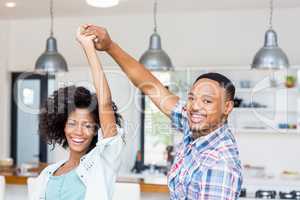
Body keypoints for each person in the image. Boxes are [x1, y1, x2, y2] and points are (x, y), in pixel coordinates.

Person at [84, 25, 243, 199]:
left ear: (227, 107)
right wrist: (110, 46)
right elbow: (151, 86)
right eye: (192, 98)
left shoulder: (220, 165)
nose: (195, 106)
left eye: (207, 101)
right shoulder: (196, 125)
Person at [31, 26, 125, 200]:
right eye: (72, 123)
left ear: (97, 129)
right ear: (62, 126)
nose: (79, 132)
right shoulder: (47, 174)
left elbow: (104, 103)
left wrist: (88, 47)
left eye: (87, 125)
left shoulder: (103, 163)